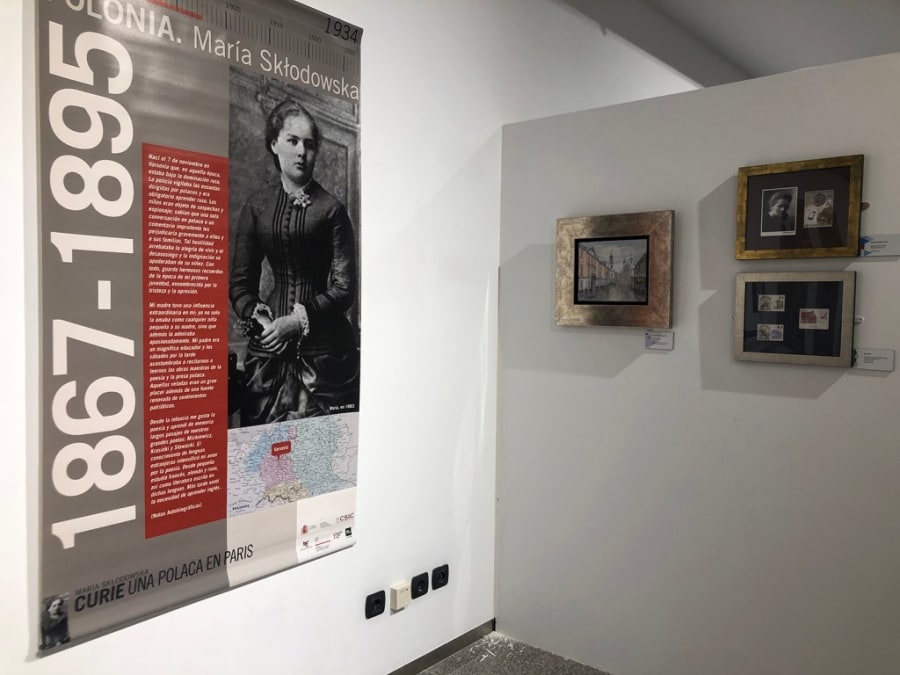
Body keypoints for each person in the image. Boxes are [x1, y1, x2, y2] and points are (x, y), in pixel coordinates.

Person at [230, 99, 360, 426]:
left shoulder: (332, 210)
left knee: (320, 460)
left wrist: (297, 321)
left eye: (310, 144)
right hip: (269, 346)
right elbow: (240, 284)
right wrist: (259, 316)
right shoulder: (257, 205)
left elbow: (345, 289)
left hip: (325, 358)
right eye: (293, 141)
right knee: (260, 461)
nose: (302, 151)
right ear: (274, 144)